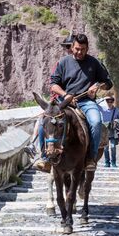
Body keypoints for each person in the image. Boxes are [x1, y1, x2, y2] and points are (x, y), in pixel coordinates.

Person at [48, 33, 113, 171]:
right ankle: (45, 157)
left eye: (82, 49)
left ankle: (91, 158)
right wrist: (66, 95)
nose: (79, 52)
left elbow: (108, 83)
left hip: (86, 102)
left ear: (87, 48)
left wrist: (98, 86)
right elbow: (53, 85)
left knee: (95, 122)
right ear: (72, 47)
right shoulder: (63, 62)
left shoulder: (94, 63)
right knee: (46, 120)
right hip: (64, 102)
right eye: (77, 49)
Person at [25, 34, 75, 170]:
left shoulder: (83, 63)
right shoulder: (60, 64)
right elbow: (54, 84)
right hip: (60, 101)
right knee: (42, 123)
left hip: (77, 100)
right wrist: (58, 98)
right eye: (67, 47)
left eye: (71, 46)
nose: (69, 50)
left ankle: (89, 156)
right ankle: (44, 156)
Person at [99, 95, 119, 168]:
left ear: (113, 101)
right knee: (106, 148)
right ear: (106, 102)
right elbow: (95, 104)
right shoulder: (102, 109)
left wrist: (117, 121)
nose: (109, 102)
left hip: (113, 131)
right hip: (105, 131)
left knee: (113, 147)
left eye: (111, 101)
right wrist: (103, 99)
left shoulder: (116, 110)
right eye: (108, 101)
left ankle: (114, 162)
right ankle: (107, 162)